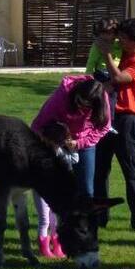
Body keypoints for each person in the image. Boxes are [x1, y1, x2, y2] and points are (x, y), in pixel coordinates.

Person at [31, 76, 111, 257]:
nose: (81, 108)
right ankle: (57, 235)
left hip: (85, 143)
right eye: (79, 102)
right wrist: (45, 149)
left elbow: (104, 128)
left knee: (87, 192)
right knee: (59, 192)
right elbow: (38, 125)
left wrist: (80, 143)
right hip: (58, 141)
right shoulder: (62, 96)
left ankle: (85, 236)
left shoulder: (102, 99)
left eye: (87, 106)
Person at [93, 18, 135, 233]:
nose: (119, 40)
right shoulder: (121, 52)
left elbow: (118, 78)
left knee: (132, 172)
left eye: (124, 38)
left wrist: (107, 54)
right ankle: (99, 218)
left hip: (127, 120)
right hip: (104, 117)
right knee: (99, 171)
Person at [85, 18, 121, 114]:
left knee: (112, 98)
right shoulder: (98, 45)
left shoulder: (119, 44)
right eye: (103, 33)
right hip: (101, 74)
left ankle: (110, 118)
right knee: (100, 99)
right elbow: (91, 62)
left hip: (114, 73)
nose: (105, 36)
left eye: (109, 32)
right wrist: (88, 78)